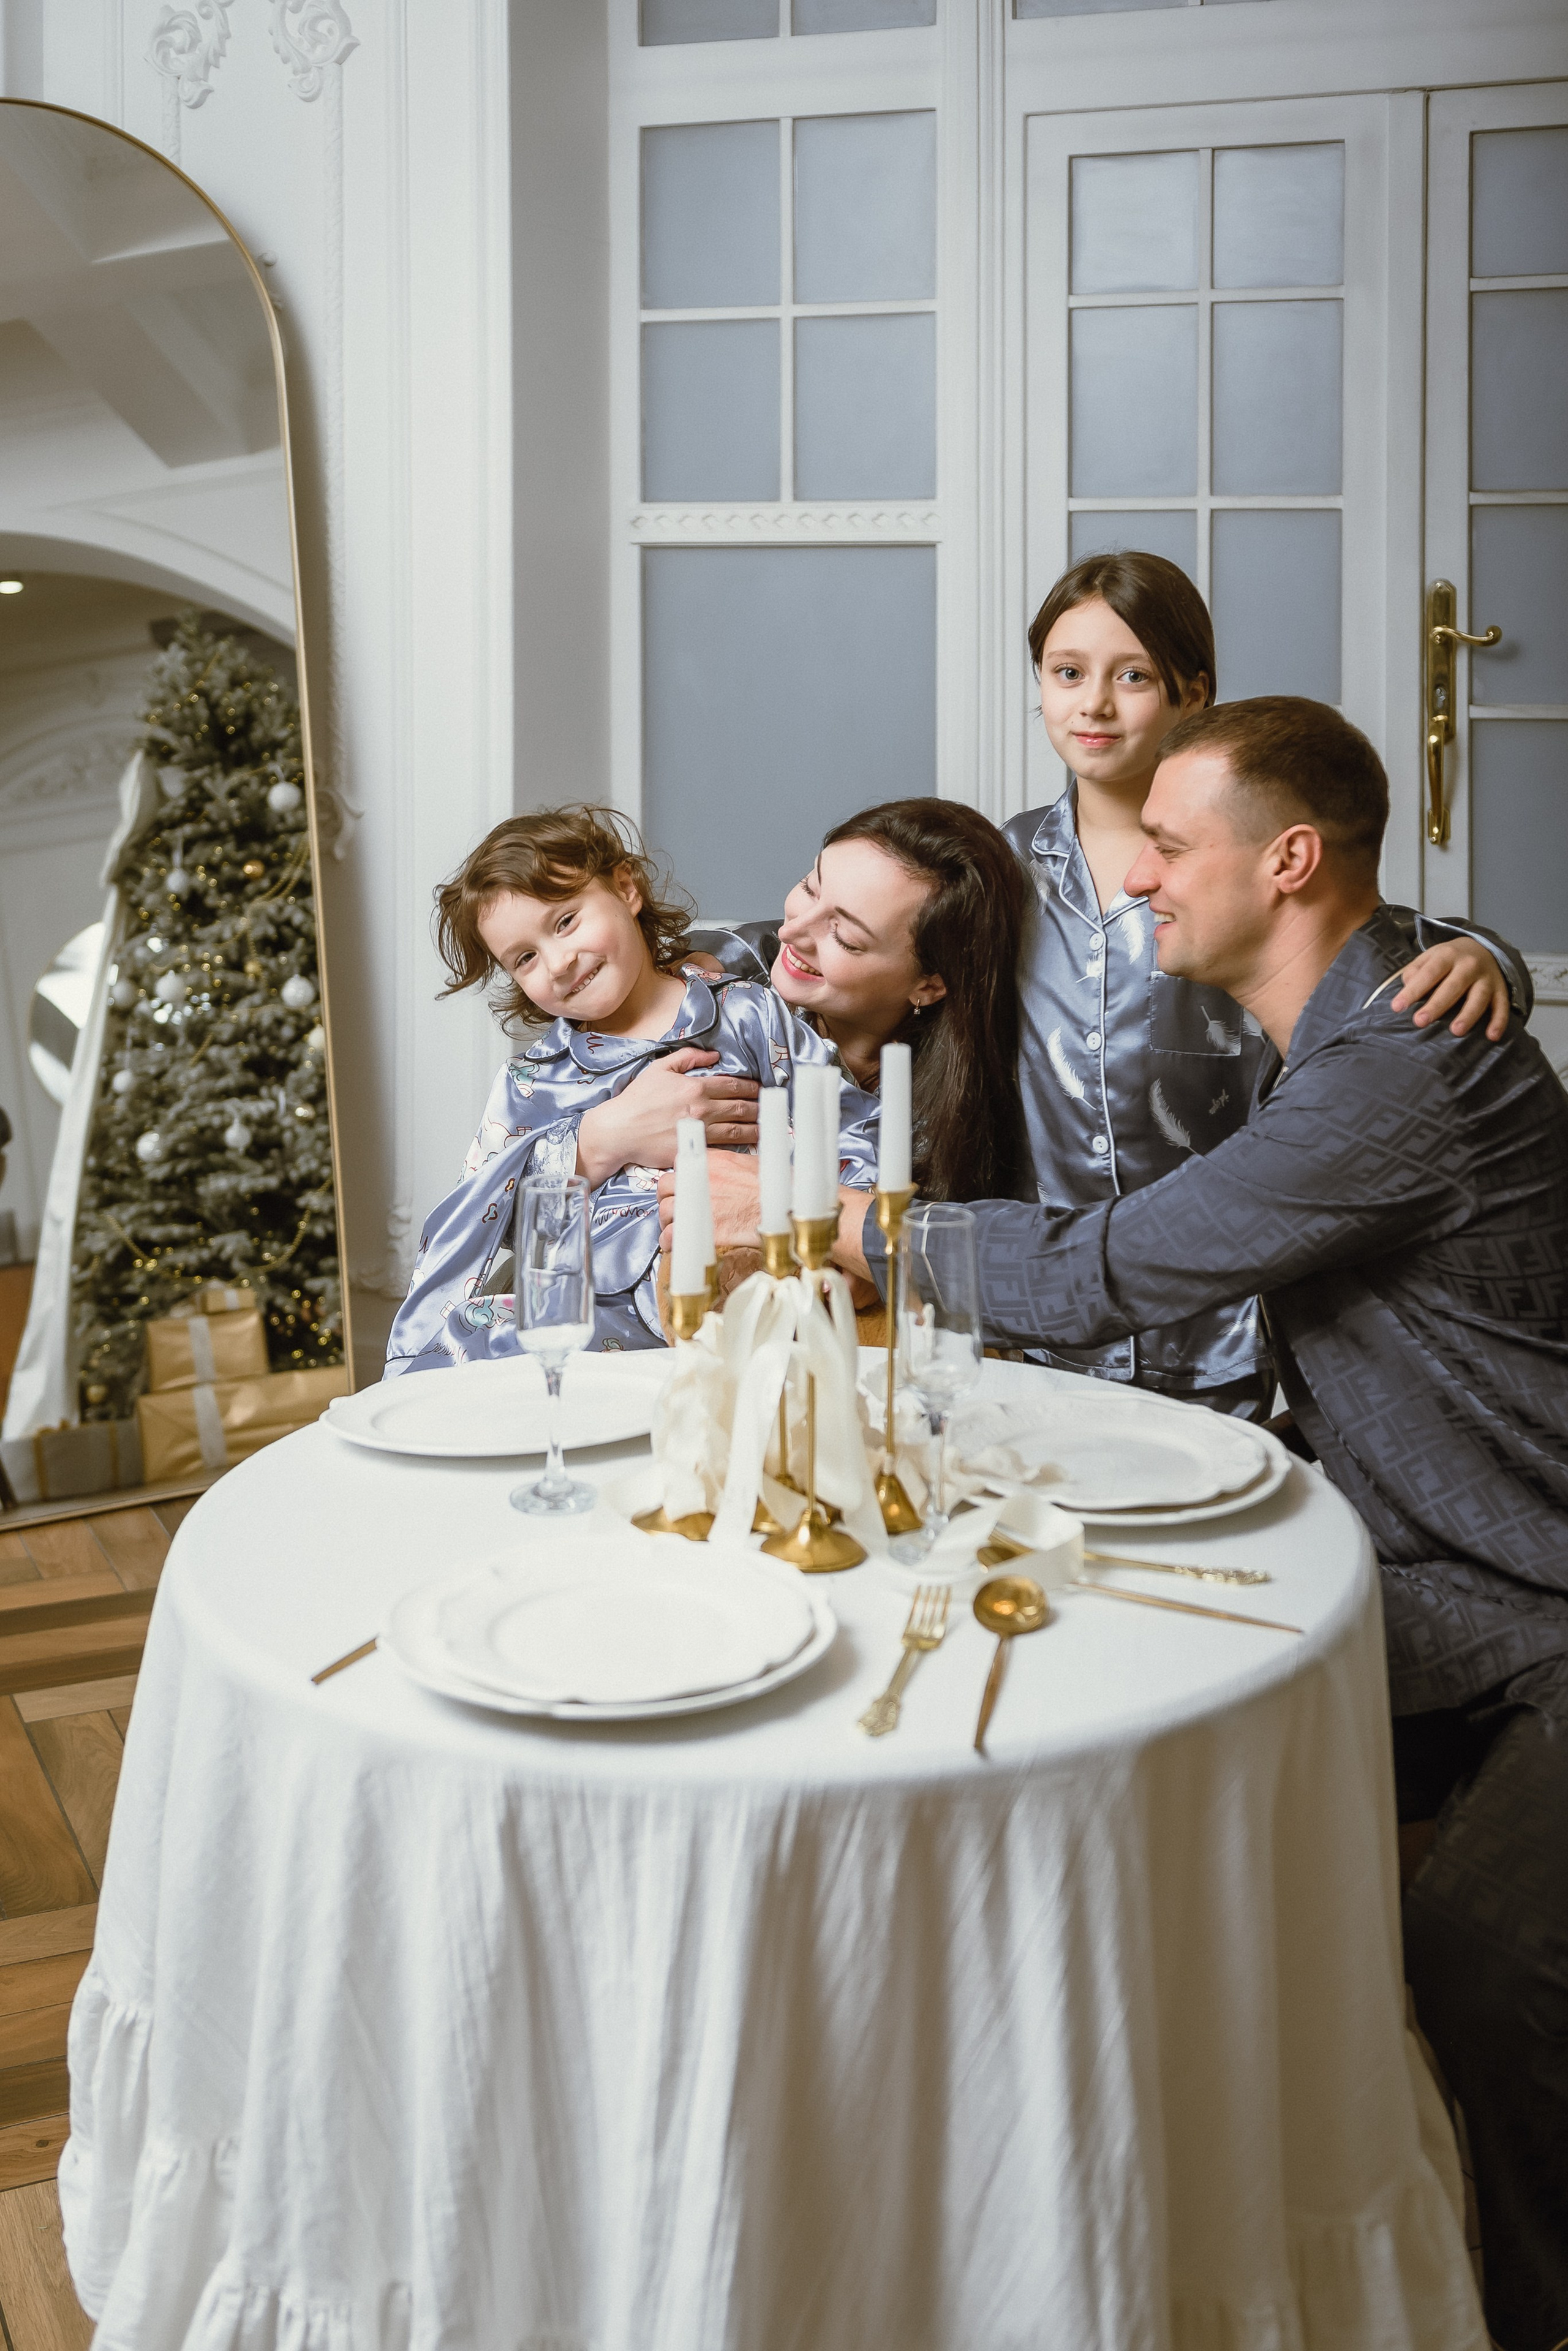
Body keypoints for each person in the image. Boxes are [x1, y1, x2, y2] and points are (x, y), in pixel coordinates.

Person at [825, 698, 1568, 2351]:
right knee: (1135, 1743)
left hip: (1542, 1593)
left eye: (1167, 847)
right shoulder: (1360, 1010)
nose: (1134, 878)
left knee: (1485, 1961)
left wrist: (855, 1233)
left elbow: (1106, 1272)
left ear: (1286, 861)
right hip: (1449, 1575)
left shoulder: (1398, 1070)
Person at [1006, 549, 1528, 1413]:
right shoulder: (999, 864)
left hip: (1226, 1330)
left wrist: (1486, 958)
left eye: (1132, 676)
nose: (1093, 703)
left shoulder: (1245, 864)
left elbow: (1378, 937)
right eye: (1067, 673)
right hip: (1041, 1320)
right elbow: (851, 935)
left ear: (1193, 694)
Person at [383, 804, 878, 1367]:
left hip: (744, 1264)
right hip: (595, 1313)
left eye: (565, 921)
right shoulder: (531, 1081)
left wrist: (850, 1255)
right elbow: (487, 1215)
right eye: (525, 958)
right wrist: (591, 1143)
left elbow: (848, 1123)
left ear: (626, 888)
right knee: (472, 1341)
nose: (559, 962)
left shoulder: (746, 1012)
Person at [689, 798, 1032, 1206]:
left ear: (930, 985)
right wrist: (606, 1139)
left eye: (844, 937)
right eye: (808, 887)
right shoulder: (710, 979)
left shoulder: (957, 1111)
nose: (792, 932)